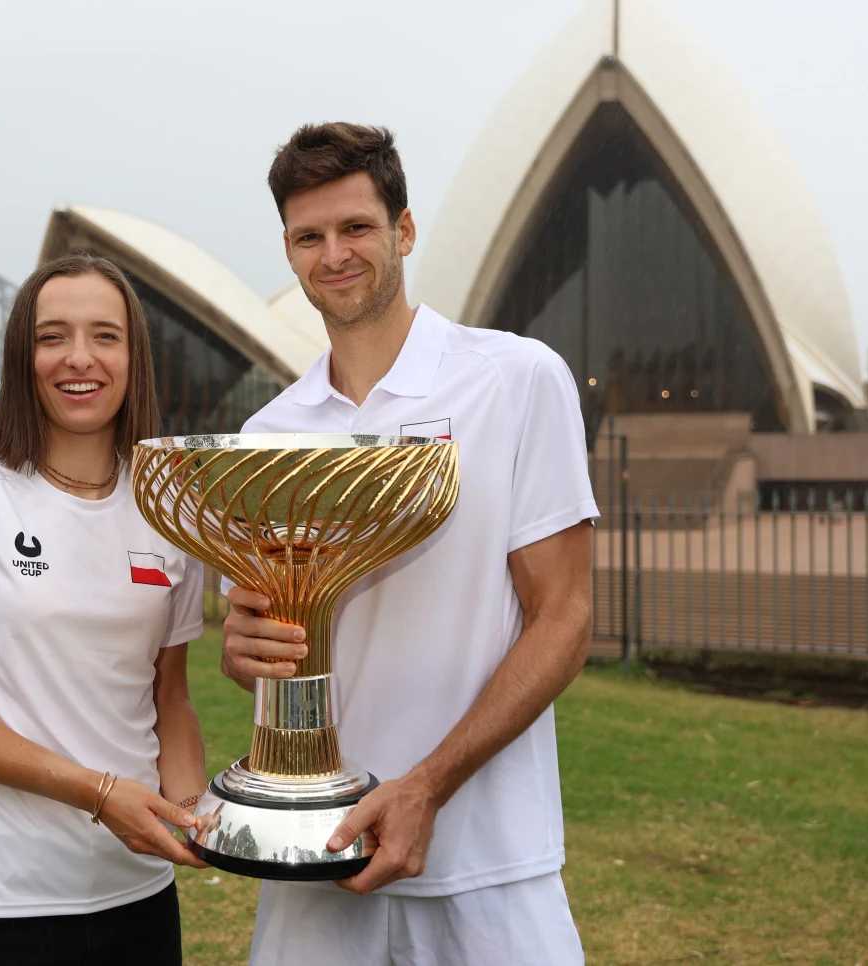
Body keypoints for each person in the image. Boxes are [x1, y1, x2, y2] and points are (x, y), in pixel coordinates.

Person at [223, 123, 599, 965]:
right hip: (318, 858)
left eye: (356, 227)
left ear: (404, 230)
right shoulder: (267, 431)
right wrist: (242, 645)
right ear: (287, 252)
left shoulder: (516, 379)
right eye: (308, 237)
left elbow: (564, 617)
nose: (334, 254)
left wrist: (427, 786)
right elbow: (256, 648)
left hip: (490, 862)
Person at [0, 251, 209, 965]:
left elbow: (170, 697)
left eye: (105, 336)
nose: (78, 358)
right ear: (21, 356)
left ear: (134, 357)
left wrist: (191, 814)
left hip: (137, 900)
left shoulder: (171, 511)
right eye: (52, 336)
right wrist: (98, 792)